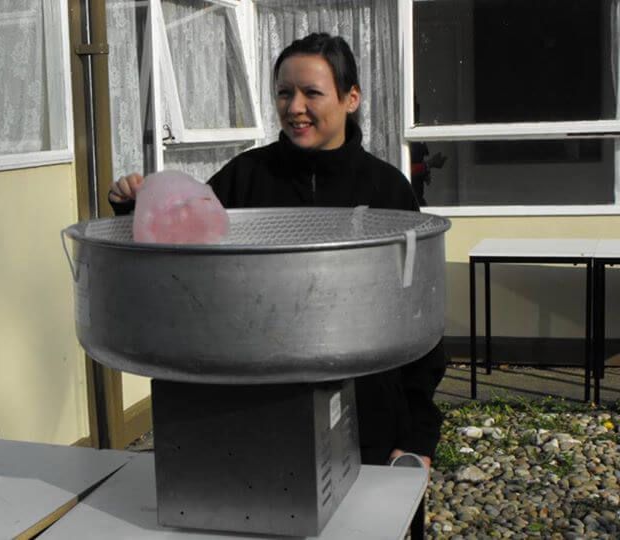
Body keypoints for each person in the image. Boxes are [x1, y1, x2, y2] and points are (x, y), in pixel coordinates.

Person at [109, 33, 446, 469]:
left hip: (368, 416)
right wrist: (133, 207)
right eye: (284, 93)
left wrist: (418, 434)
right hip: (254, 410)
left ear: (351, 98)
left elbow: (420, 317)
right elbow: (175, 256)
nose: (294, 107)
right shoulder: (245, 178)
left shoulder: (385, 189)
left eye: (312, 93)